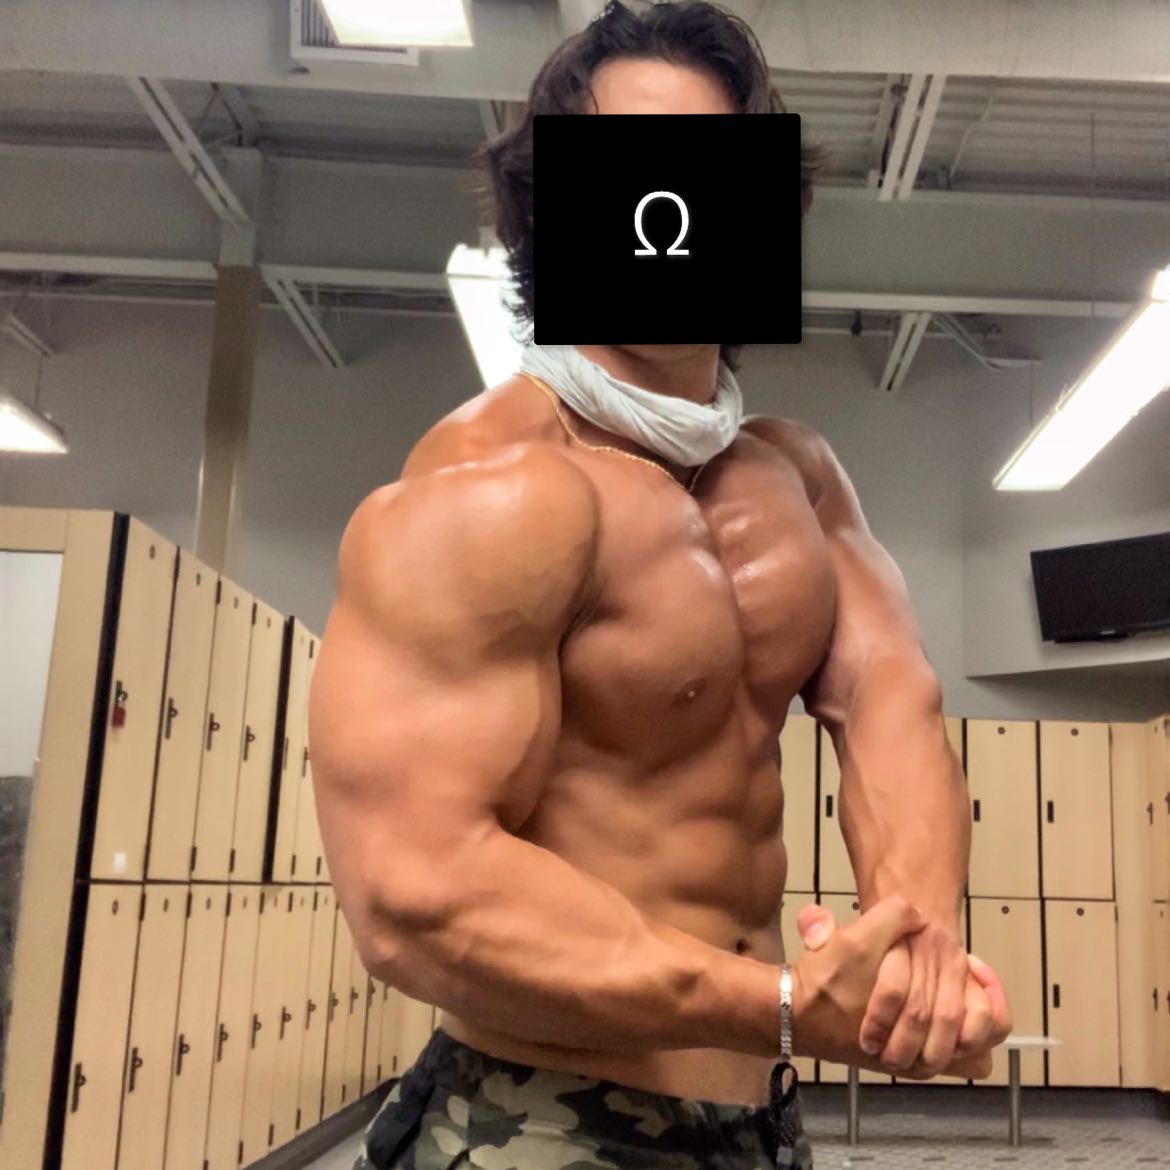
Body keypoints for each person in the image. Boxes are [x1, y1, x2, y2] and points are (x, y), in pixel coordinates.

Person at [310, 3, 1012, 1167]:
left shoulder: (798, 480)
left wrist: (916, 947)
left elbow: (895, 702)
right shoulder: (497, 490)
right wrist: (779, 1007)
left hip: (758, 1122)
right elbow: (414, 894)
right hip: (541, 1121)